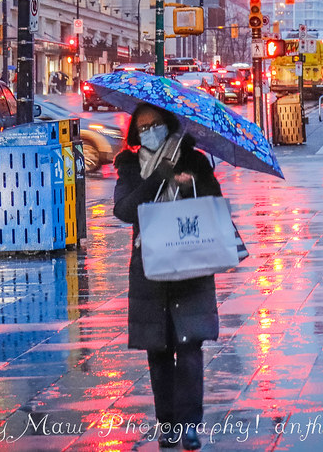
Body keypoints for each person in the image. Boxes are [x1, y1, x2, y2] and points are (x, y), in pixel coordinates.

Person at [113, 103, 219, 450]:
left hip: (191, 265)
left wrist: (189, 186)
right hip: (150, 271)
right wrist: (157, 178)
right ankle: (168, 424)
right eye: (143, 127)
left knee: (190, 345)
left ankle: (190, 425)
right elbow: (124, 211)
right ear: (134, 134)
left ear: (169, 124)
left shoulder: (195, 160)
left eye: (156, 124)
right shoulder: (129, 166)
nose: (150, 131)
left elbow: (214, 202)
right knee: (158, 350)